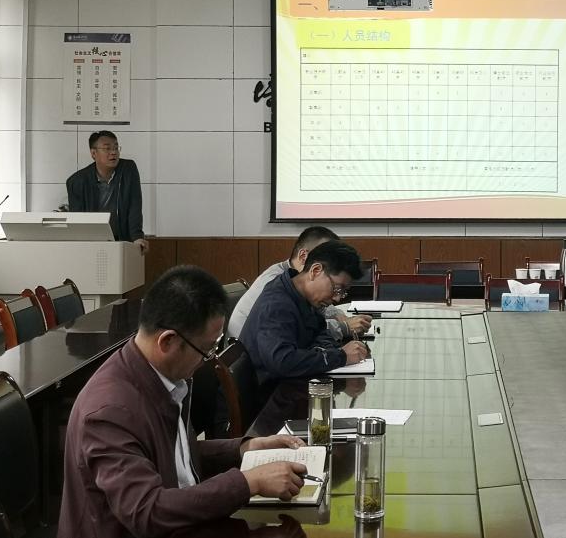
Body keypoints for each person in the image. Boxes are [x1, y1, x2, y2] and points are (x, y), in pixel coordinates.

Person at [59, 266, 310, 538]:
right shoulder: (109, 411)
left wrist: (244, 449)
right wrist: (248, 482)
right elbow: (146, 511)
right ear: (167, 341)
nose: (208, 360)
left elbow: (171, 455)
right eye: (207, 349)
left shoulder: (159, 376)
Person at [241, 240, 368, 386]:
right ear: (315, 271)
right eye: (337, 289)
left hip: (288, 383)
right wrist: (341, 356)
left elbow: (320, 332)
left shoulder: (301, 294)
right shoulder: (277, 304)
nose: (337, 298)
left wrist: (331, 352)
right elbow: (282, 361)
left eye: (343, 292)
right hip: (267, 392)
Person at [228, 226, 371, 340]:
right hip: (247, 360)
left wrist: (338, 315)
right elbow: (298, 330)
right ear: (303, 256)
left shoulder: (296, 281)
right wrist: (343, 327)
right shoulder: (276, 284)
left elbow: (318, 313)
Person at [66, 130, 148, 254]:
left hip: (123, 240)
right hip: (92, 244)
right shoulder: (77, 181)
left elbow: (134, 205)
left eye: (116, 147)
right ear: (93, 153)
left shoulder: (128, 169)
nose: (113, 152)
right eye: (107, 148)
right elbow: (78, 221)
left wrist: (137, 237)